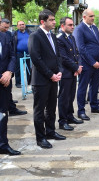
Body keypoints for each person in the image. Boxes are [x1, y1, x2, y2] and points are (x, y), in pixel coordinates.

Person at [28, 9, 65, 149]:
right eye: (51, 20)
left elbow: (58, 56)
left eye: (54, 19)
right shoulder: (35, 36)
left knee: (51, 108)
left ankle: (50, 131)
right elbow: (36, 59)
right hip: (41, 80)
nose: (54, 22)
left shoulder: (53, 36)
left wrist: (59, 71)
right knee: (39, 109)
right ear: (42, 22)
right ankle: (41, 137)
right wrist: (50, 74)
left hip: (54, 78)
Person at [73, 9, 99, 121]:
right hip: (86, 64)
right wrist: (93, 62)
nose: (93, 18)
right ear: (84, 17)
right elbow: (81, 49)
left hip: (97, 64)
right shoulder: (79, 29)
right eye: (91, 16)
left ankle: (94, 106)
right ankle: (81, 111)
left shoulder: (94, 28)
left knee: (94, 85)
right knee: (83, 87)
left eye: (93, 16)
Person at [56, 17, 83, 131]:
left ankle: (70, 116)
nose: (72, 27)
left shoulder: (71, 37)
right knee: (64, 97)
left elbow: (77, 53)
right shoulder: (59, 38)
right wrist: (76, 67)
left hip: (73, 72)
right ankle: (63, 121)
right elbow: (63, 58)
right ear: (62, 26)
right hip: (66, 72)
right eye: (70, 25)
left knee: (71, 96)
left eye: (73, 25)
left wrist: (78, 66)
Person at [0, 18, 27, 116]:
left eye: (8, 27)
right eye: (4, 27)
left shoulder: (7, 35)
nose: (6, 29)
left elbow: (12, 54)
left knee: (8, 91)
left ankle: (11, 108)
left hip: (7, 70)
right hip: (2, 74)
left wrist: (9, 71)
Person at [0, 29, 20, 155]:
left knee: (3, 114)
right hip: (3, 79)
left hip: (5, 82)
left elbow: (12, 56)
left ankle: (3, 144)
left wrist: (9, 72)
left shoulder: (5, 36)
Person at [12, 20, 32, 88]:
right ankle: (18, 82)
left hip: (28, 53)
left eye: (23, 24)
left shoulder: (29, 32)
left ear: (25, 25)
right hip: (18, 54)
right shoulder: (14, 33)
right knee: (18, 69)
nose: (22, 25)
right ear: (17, 26)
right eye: (20, 24)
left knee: (29, 68)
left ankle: (29, 81)